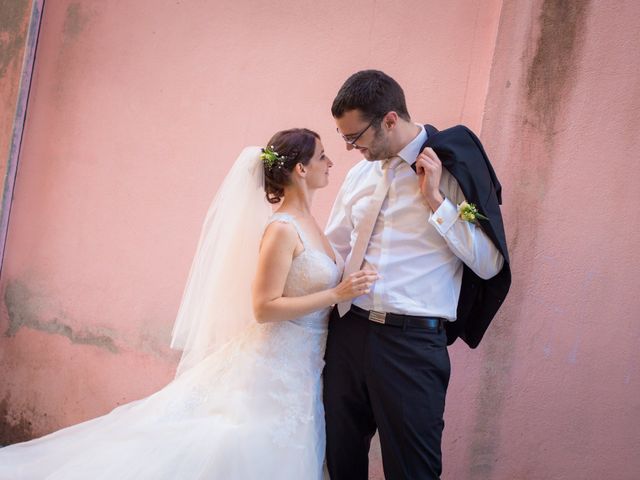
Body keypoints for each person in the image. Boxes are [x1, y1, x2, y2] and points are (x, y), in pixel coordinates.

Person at [0, 128, 378, 479]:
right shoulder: (283, 229)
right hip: (275, 363)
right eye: (323, 157)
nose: (330, 163)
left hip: (305, 364)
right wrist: (335, 294)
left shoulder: (311, 221)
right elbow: (263, 307)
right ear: (301, 169)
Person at [323, 70, 510, 479]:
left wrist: (437, 203)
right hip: (348, 336)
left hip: (410, 346)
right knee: (339, 463)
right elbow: (334, 248)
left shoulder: (454, 167)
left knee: (414, 472)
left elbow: (490, 264)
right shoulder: (359, 175)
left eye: (356, 138)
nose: (352, 149)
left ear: (390, 119)